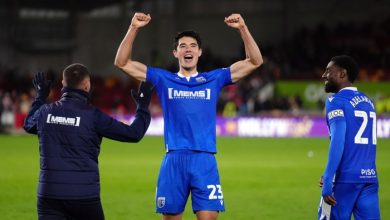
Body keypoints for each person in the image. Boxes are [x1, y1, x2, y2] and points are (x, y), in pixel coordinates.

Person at [115, 12, 263, 220]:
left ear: (200, 52)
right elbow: (122, 63)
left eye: (193, 45)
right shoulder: (163, 79)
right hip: (174, 158)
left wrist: (243, 28)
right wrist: (133, 28)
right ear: (175, 53)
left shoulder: (214, 78)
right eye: (182, 46)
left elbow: (255, 61)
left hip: (204, 159)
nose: (188, 49)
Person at [23, 63, 154, 220]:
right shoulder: (93, 116)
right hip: (83, 197)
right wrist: (143, 106)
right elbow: (134, 134)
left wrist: (40, 97)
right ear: (87, 85)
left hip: (49, 195)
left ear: (63, 84)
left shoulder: (45, 112)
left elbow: (28, 124)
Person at [318, 55, 380, 220]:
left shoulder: (336, 101)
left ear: (342, 74)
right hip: (369, 179)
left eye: (328, 71)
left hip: (344, 180)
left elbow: (339, 140)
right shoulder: (368, 101)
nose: (324, 75)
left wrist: (329, 177)